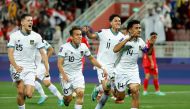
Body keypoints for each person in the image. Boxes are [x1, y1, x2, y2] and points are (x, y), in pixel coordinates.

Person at [57, 26, 107, 109]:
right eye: (77, 35)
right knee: (67, 99)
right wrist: (64, 75)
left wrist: (102, 68)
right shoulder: (64, 47)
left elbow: (91, 59)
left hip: (78, 75)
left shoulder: (83, 46)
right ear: (71, 37)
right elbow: (59, 64)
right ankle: (65, 99)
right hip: (65, 76)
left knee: (80, 94)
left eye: (80, 34)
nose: (79, 36)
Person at [7, 14, 49, 109]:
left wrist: (47, 69)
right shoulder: (14, 36)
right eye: (28, 20)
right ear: (22, 22)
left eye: (31, 20)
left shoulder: (37, 36)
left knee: (29, 94)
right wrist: (16, 66)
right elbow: (10, 53)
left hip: (30, 68)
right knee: (21, 91)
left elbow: (43, 54)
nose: (31, 22)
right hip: (17, 67)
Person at [113, 20, 157, 109]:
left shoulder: (140, 41)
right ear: (130, 30)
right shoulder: (124, 39)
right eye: (136, 28)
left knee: (135, 91)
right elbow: (115, 49)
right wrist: (128, 39)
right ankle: (111, 87)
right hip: (121, 70)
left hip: (133, 70)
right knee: (120, 98)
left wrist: (151, 45)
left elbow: (148, 52)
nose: (139, 30)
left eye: (140, 28)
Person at [34, 40, 64, 105]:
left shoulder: (38, 40)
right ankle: (60, 97)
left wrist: (45, 59)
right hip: (43, 65)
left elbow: (51, 49)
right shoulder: (42, 41)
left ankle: (43, 95)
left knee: (31, 79)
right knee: (47, 83)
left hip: (40, 65)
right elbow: (51, 49)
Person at [142, 32, 166, 96]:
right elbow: (149, 54)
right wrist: (152, 62)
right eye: (154, 37)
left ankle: (145, 91)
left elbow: (145, 52)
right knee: (155, 76)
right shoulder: (150, 44)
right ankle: (157, 91)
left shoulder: (147, 43)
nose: (155, 38)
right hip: (150, 63)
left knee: (147, 76)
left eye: (156, 37)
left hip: (145, 62)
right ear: (151, 37)